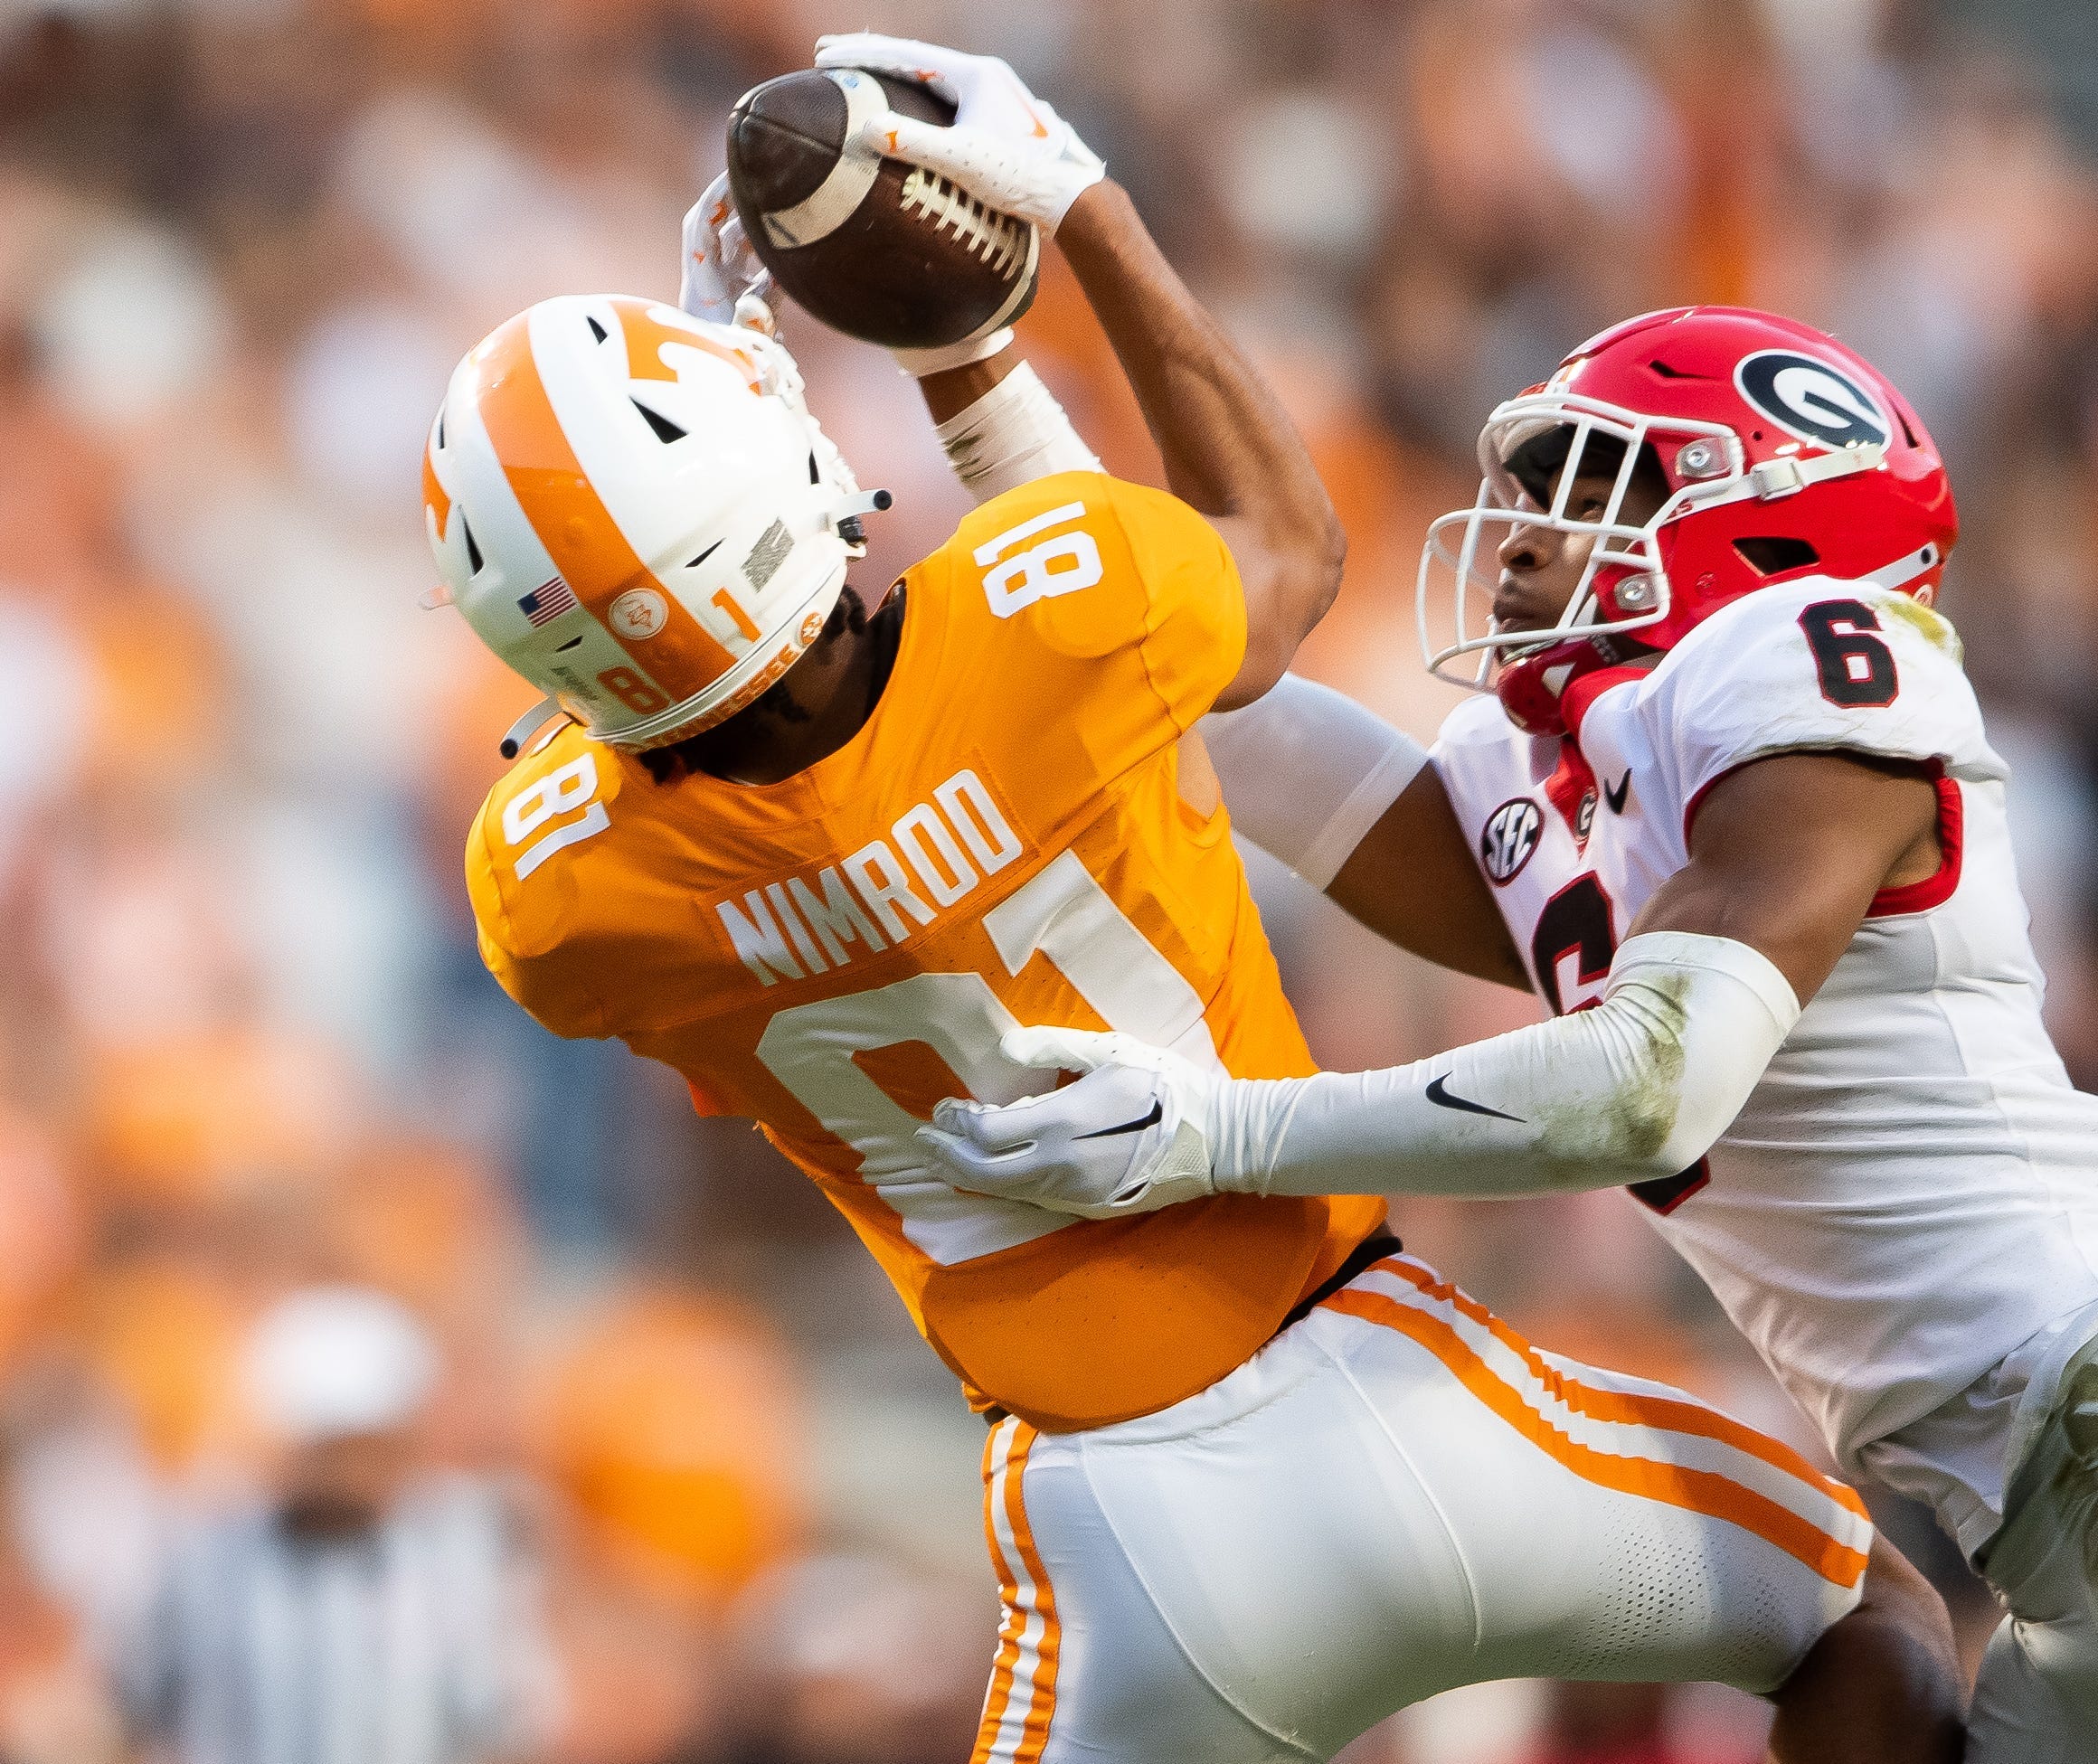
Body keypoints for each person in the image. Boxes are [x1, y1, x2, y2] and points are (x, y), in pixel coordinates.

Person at [432, 37, 1961, 1764]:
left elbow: (670, 705)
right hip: (1405, 1392)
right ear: (780, 489)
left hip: (1113, 1546)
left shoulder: (557, 898)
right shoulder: (1045, 621)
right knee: (1870, 1626)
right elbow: (1275, 553)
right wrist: (1067, 220)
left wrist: (678, 485)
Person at [921, 302, 2098, 1764]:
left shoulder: (1807, 657)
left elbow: (1642, 1090)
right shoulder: (1555, 800)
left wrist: (1219, 1130)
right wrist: (973, 361)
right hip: (2031, 1535)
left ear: (1764, 521)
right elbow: (1169, 665)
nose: (1518, 527)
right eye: (1520, 483)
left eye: (1587, 484)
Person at [114, 1287, 548, 1764]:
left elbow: (503, 1722)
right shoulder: (205, 1559)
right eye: (329, 1444)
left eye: (363, 1442)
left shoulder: (459, 1555)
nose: (346, 1466)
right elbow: (135, 1708)